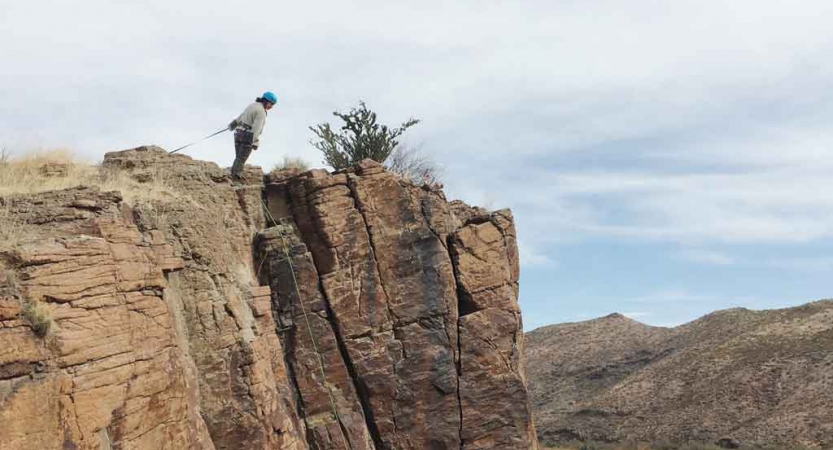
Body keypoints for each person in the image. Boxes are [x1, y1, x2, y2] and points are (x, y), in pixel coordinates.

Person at [229, 91, 277, 179]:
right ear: (266, 101)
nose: (271, 107)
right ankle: (234, 179)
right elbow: (256, 128)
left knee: (238, 158)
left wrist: (233, 124)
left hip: (238, 133)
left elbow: (241, 116)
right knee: (241, 159)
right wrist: (254, 142)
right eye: (271, 104)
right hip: (247, 136)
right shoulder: (262, 111)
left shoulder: (252, 105)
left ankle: (233, 175)